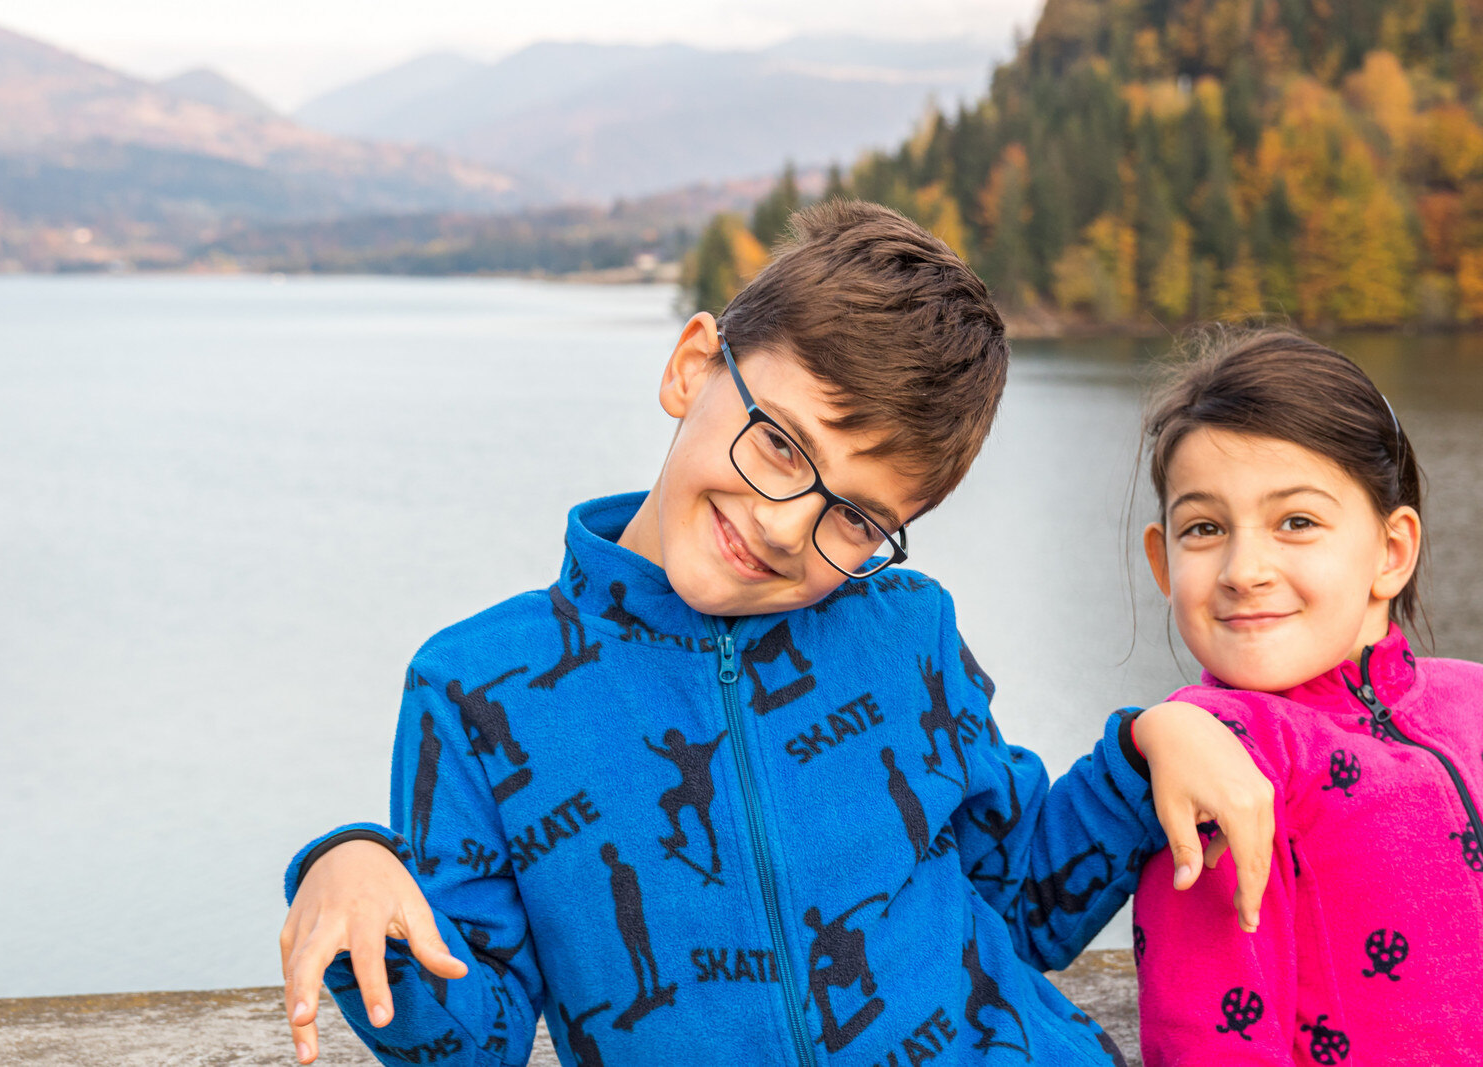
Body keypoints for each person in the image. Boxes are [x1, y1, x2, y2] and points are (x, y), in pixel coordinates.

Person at [278, 201, 1274, 1067]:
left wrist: (1145, 751)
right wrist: (355, 874)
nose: (787, 527)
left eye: (857, 517)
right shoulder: (473, 688)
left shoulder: (908, 628)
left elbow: (1020, 903)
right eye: (783, 445)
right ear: (691, 367)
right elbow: (475, 1038)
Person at [1130, 328, 1483, 1065]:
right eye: (1205, 528)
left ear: (1391, 551)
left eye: (1296, 521)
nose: (1244, 569)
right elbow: (1210, 1043)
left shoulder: (1471, 698)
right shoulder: (1220, 762)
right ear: (1164, 562)